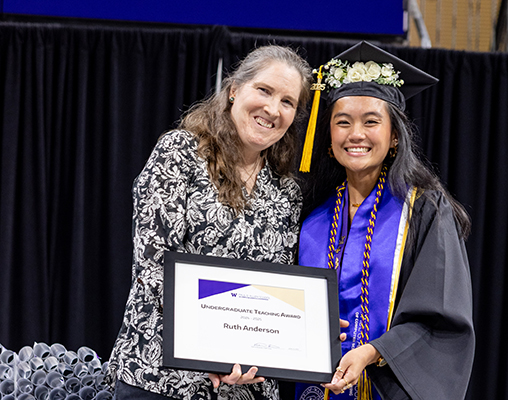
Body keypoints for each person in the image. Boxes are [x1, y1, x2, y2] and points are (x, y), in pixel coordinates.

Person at [107, 45, 313, 400]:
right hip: (162, 379)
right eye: (264, 90)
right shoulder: (180, 154)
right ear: (234, 90)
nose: (272, 109)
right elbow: (155, 265)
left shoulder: (287, 191)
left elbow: (276, 290)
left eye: (287, 102)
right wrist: (211, 348)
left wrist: (313, 328)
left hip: (248, 387)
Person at [294, 41, 475, 400]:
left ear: (394, 137)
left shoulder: (424, 210)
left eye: (371, 122)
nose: (356, 134)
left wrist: (373, 351)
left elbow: (441, 316)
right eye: (342, 123)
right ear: (329, 139)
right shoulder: (312, 216)